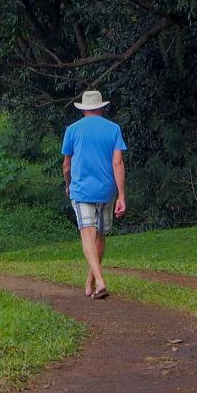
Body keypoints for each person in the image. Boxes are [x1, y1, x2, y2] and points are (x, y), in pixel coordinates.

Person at [62, 90, 127, 300]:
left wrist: (68, 184)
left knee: (87, 233)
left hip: (81, 190)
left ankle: (98, 280)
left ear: (83, 110)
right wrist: (121, 195)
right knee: (100, 234)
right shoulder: (114, 129)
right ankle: (92, 282)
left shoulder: (72, 130)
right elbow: (117, 163)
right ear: (101, 108)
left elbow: (66, 165)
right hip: (106, 190)